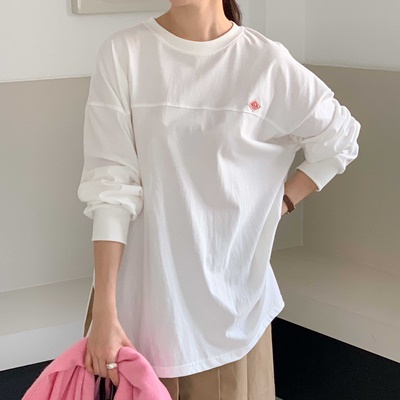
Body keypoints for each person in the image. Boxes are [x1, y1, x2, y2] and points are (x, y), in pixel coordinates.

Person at [77, 1, 361, 399]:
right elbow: (111, 187)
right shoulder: (125, 53)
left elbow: (340, 138)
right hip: (138, 312)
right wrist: (105, 310)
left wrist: (282, 204)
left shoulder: (265, 62)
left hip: (232, 311)